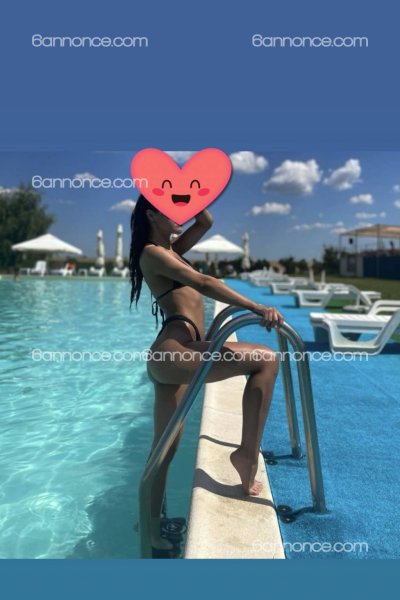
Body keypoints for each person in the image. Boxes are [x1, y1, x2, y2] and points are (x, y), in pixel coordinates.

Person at [129, 195, 284, 553]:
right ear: (151, 215)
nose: (180, 214)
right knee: (265, 359)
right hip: (174, 351)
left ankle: (147, 521)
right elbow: (202, 281)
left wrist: (189, 190)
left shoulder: (172, 250)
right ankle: (245, 455)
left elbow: (206, 222)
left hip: (179, 352)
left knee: (165, 448)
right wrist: (256, 307)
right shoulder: (153, 253)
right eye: (170, 208)